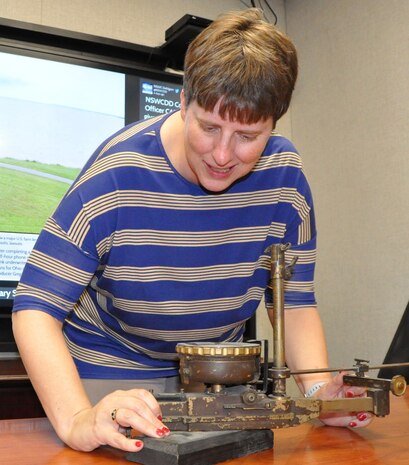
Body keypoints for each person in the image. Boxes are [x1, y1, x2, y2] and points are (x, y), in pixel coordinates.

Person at [12, 8, 371, 454]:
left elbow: (293, 303)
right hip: (111, 367)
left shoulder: (285, 178)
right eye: (208, 127)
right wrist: (76, 419)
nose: (223, 154)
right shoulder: (117, 174)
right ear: (183, 101)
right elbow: (35, 307)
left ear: (273, 125)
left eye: (247, 136)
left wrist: (319, 397)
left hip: (217, 373)